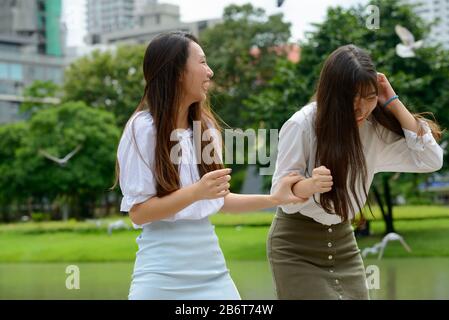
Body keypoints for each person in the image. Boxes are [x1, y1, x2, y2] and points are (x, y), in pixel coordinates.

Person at [114, 32, 307, 300]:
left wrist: (275, 198)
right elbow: (140, 213)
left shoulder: (204, 129)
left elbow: (219, 200)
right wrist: (196, 192)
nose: (210, 72)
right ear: (178, 72)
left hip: (213, 274)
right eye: (202, 63)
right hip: (160, 277)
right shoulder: (142, 129)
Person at [268, 44, 443, 300]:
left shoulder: (373, 130)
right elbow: (280, 194)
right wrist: (310, 185)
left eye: (370, 97)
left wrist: (393, 102)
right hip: (296, 247)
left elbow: (431, 159)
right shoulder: (302, 125)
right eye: (352, 97)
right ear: (333, 92)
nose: (361, 108)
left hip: (344, 243)